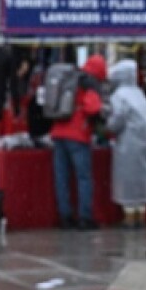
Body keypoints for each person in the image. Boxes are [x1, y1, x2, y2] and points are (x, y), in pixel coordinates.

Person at [50, 54, 107, 230]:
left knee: (62, 178)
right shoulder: (90, 84)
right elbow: (93, 108)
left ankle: (65, 217)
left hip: (58, 132)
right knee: (83, 178)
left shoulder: (70, 77)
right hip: (77, 135)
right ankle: (84, 217)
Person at [105, 58, 146, 229]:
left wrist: (106, 126)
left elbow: (116, 121)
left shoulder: (118, 96)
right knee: (142, 181)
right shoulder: (139, 94)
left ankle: (129, 218)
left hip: (127, 144)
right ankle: (140, 216)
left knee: (127, 181)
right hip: (145, 144)